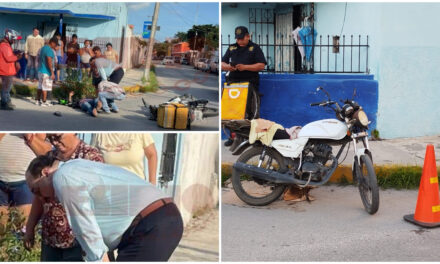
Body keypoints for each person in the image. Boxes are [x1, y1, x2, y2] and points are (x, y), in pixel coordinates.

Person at [26, 154, 183, 262]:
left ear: (45, 172)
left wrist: (98, 258)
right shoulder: (75, 166)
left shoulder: (62, 177)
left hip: (150, 224)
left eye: (37, 190)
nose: (40, 198)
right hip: (158, 220)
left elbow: (84, 226)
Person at [24, 133, 104, 262]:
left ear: (73, 132)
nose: (54, 142)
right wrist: (29, 228)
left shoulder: (90, 157)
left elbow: (99, 198)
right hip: (50, 241)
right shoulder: (51, 157)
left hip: (78, 242)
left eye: (57, 137)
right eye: (50, 139)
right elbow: (39, 198)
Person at [222, 26, 267, 146]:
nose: (239, 41)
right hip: (233, 85)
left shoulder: (254, 48)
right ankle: (233, 138)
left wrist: (245, 67)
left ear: (248, 36)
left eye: (242, 38)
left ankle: (252, 139)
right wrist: (229, 67)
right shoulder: (232, 47)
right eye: (237, 39)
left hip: (250, 85)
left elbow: (261, 65)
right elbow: (222, 63)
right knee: (232, 112)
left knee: (252, 112)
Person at [90, 133, 157, 183]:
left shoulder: (140, 133)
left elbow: (152, 155)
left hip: (137, 189)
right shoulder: (99, 134)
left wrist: (152, 184)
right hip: (109, 190)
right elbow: (90, 160)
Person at [0, 134, 36, 225]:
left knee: (24, 228)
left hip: (24, 182)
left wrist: (30, 139)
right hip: (1, 180)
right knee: (2, 231)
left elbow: (45, 151)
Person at [90, 47, 125, 113]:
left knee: (108, 90)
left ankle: (106, 108)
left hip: (117, 72)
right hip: (115, 72)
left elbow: (103, 75)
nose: (92, 67)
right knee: (109, 91)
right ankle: (114, 108)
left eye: (91, 64)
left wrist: (105, 84)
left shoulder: (97, 62)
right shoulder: (98, 62)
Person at [0, 29, 21, 110]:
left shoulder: (5, 45)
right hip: (6, 71)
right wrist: (17, 57)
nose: (14, 41)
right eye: (13, 39)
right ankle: (4, 103)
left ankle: (7, 101)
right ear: (8, 37)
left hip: (7, 70)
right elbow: (8, 58)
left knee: (7, 88)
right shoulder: (4, 46)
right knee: (6, 88)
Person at [36, 37, 57, 107]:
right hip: (46, 71)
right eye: (56, 44)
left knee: (40, 86)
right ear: (52, 43)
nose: (56, 46)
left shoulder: (43, 48)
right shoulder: (49, 50)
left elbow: (39, 59)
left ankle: (37, 100)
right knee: (45, 87)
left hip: (40, 70)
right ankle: (43, 102)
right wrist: (52, 72)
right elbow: (49, 61)